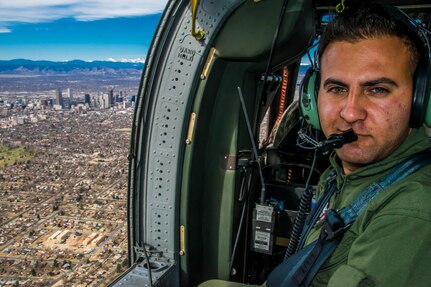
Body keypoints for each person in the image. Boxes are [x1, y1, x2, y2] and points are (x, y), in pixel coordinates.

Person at [300, 2, 431, 286]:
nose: (350, 113)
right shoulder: (341, 174)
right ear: (313, 95)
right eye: (337, 88)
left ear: (419, 102)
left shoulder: (412, 211)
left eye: (377, 89)